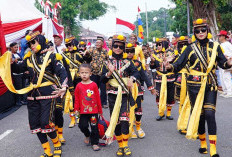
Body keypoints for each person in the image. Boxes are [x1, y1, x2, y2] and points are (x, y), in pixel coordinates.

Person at [165, 18, 232, 157]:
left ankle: (213, 149)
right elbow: (178, 65)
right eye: (197, 31)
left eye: (203, 30)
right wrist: (169, 66)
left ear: (207, 31)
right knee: (200, 116)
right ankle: (202, 144)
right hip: (194, 86)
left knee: (209, 114)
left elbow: (222, 64)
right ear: (194, 32)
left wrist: (229, 63)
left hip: (210, 85)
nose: (201, 33)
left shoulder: (215, 47)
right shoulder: (189, 48)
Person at [11, 31, 68, 157]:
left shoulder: (52, 56)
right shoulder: (29, 58)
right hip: (32, 95)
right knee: (35, 124)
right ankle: (47, 150)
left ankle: (56, 144)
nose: (31, 45)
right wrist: (10, 63)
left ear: (41, 42)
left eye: (33, 42)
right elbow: (19, 69)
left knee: (45, 123)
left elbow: (62, 72)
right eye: (29, 43)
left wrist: (64, 86)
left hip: (48, 94)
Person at [101, 35, 139, 157]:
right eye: (115, 46)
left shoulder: (128, 62)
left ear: (123, 48)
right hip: (112, 95)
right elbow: (102, 80)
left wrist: (131, 79)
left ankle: (126, 145)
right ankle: (120, 146)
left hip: (124, 95)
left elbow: (136, 72)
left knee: (124, 120)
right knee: (116, 121)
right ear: (112, 47)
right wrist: (109, 72)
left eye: (120, 47)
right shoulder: (107, 62)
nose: (118, 48)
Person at [126, 43, 156, 139]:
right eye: (127, 52)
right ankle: (131, 128)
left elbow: (144, 75)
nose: (129, 54)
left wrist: (151, 88)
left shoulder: (138, 63)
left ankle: (138, 127)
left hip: (137, 88)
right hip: (125, 89)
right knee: (127, 109)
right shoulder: (121, 63)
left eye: (131, 52)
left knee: (138, 109)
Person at [74, 63, 102, 151]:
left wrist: (100, 110)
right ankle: (87, 135)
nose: (84, 74)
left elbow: (98, 98)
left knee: (94, 127)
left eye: (86, 72)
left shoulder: (94, 85)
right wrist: (76, 110)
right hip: (82, 111)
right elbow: (77, 99)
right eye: (82, 72)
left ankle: (95, 143)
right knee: (82, 126)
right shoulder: (78, 86)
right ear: (79, 74)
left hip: (93, 111)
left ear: (90, 73)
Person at [150, 38, 176, 121]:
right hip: (159, 77)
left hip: (170, 77)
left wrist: (169, 61)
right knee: (158, 94)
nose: (158, 47)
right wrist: (152, 62)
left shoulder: (172, 52)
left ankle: (168, 113)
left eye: (159, 45)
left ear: (164, 44)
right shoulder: (154, 54)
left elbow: (175, 64)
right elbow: (152, 67)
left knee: (170, 95)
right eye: (157, 45)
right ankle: (160, 113)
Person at [64, 36, 83, 128]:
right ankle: (72, 120)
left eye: (70, 45)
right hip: (68, 79)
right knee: (69, 99)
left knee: (77, 99)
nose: (69, 47)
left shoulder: (79, 55)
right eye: (67, 45)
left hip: (78, 79)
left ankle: (78, 117)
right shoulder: (64, 55)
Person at [218, 30, 232, 97]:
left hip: (227, 62)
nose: (219, 37)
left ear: (224, 36)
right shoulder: (221, 44)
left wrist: (229, 58)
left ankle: (229, 92)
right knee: (222, 77)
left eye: (220, 36)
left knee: (226, 77)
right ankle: (225, 91)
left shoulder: (228, 44)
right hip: (221, 62)